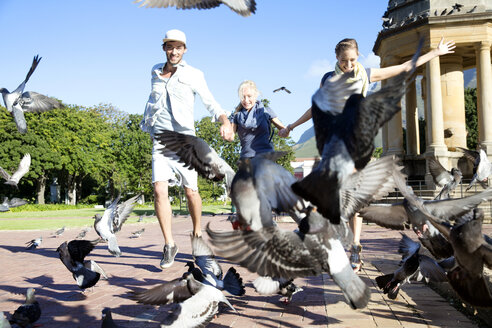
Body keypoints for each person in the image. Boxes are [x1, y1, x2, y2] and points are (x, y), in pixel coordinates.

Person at [279, 37, 456, 273]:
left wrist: (435, 53)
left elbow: (404, 67)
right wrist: (291, 126)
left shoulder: (365, 74)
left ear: (358, 57)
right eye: (344, 61)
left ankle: (355, 245)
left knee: (356, 195)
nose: (349, 65)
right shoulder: (328, 79)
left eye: (352, 60)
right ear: (336, 59)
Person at [140, 29, 234, 269]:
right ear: (164, 49)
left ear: (185, 50)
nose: (174, 51)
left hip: (184, 142)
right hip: (160, 141)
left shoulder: (194, 74)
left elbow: (210, 101)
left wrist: (224, 121)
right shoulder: (154, 71)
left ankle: (197, 234)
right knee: (159, 189)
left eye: (178, 47)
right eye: (170, 47)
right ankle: (170, 244)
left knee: (191, 192)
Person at [231, 80, 288, 158]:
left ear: (256, 95)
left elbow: (285, 132)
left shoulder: (266, 111)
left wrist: (285, 131)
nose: (246, 100)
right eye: (243, 97)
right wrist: (224, 125)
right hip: (246, 160)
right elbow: (230, 137)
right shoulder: (236, 116)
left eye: (249, 96)